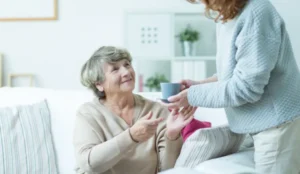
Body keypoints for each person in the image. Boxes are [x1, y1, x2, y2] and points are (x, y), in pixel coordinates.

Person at [164, 0, 300, 173]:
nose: (205, 4)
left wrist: (192, 95)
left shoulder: (256, 13)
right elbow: (235, 74)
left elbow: (247, 88)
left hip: (277, 124)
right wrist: (198, 85)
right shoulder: (229, 14)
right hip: (260, 125)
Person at [73, 46, 196, 174]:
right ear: (99, 84)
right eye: (115, 69)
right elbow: (89, 165)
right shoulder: (88, 113)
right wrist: (131, 136)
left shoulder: (156, 110)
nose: (126, 72)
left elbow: (166, 171)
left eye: (127, 65)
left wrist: (172, 136)